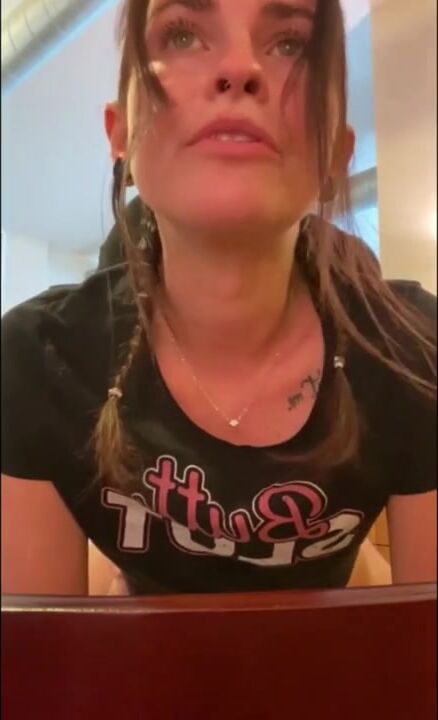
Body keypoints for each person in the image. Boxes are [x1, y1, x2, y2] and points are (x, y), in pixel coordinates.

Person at [1, 0, 436, 597]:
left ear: (337, 151)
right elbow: (43, 651)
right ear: (120, 134)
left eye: (290, 44)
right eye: (181, 35)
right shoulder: (35, 360)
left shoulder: (413, 348)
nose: (239, 68)